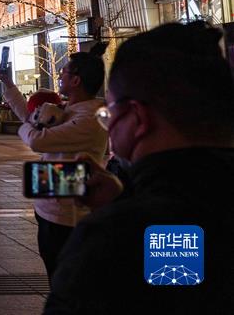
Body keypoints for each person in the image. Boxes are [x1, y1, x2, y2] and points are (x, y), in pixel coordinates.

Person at [45, 23, 234, 314]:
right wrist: (124, 200)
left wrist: (126, 214)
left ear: (137, 118)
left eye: (109, 111)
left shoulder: (110, 240)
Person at [0, 46, 108, 282]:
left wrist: (26, 128)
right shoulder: (69, 109)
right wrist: (8, 84)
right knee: (55, 271)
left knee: (65, 279)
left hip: (68, 215)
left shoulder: (90, 118)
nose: (59, 76)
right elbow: (31, 118)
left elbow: (37, 140)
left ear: (76, 80)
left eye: (64, 72)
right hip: (50, 205)